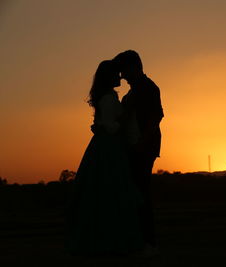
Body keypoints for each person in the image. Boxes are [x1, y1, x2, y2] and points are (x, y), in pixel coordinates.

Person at [65, 60, 144, 256]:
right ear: (108, 77)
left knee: (105, 191)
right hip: (109, 149)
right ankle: (111, 240)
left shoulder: (108, 97)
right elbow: (111, 127)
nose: (120, 77)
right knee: (111, 190)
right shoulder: (109, 99)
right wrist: (126, 117)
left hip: (106, 147)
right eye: (116, 74)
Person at [113, 50, 164, 254]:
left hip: (142, 147)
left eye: (123, 70)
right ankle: (139, 239)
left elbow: (156, 116)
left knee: (141, 193)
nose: (122, 75)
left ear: (134, 67)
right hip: (136, 146)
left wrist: (142, 144)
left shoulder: (148, 87)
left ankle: (148, 242)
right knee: (136, 193)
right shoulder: (135, 90)